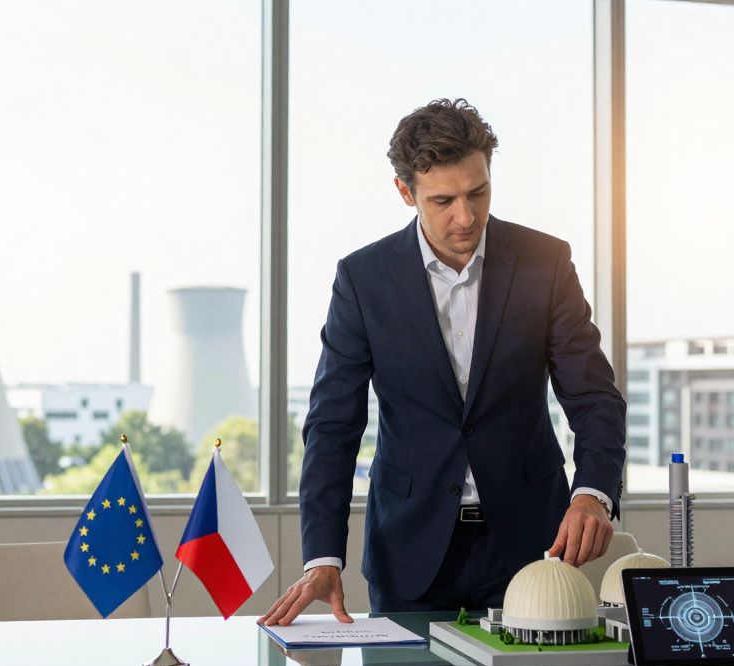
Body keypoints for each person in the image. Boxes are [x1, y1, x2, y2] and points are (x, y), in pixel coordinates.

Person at [260, 99, 626, 626]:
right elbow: (333, 425)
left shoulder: (545, 263)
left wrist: (592, 492)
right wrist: (323, 556)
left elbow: (594, 396)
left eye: (478, 193)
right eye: (443, 200)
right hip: (409, 555)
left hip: (534, 550)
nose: (467, 216)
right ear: (405, 192)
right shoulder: (363, 281)